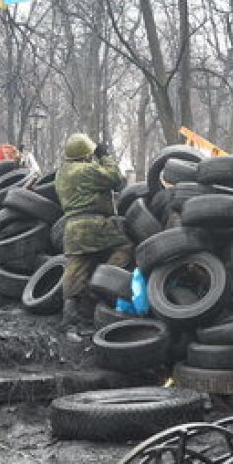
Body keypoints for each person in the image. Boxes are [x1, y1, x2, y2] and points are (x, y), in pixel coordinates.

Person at [55, 133, 132, 335]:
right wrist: (105, 156)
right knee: (125, 246)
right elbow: (115, 177)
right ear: (86, 154)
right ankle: (102, 281)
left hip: (72, 227)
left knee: (75, 268)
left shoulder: (61, 173)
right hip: (94, 223)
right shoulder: (87, 170)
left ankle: (69, 317)